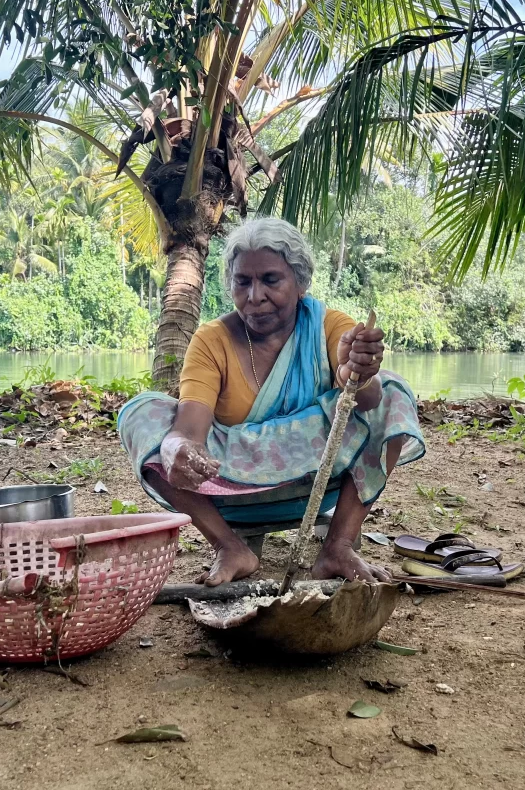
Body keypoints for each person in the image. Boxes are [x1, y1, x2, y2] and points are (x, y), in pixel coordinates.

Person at [119, 219, 424, 586]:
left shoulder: (330, 326)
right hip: (231, 487)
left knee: (390, 390)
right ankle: (230, 547)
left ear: (300, 283)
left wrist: (358, 372)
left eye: (270, 280)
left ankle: (338, 545)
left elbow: (368, 398)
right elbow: (189, 428)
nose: (255, 296)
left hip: (318, 484)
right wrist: (177, 447)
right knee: (142, 414)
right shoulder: (212, 340)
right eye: (243, 281)